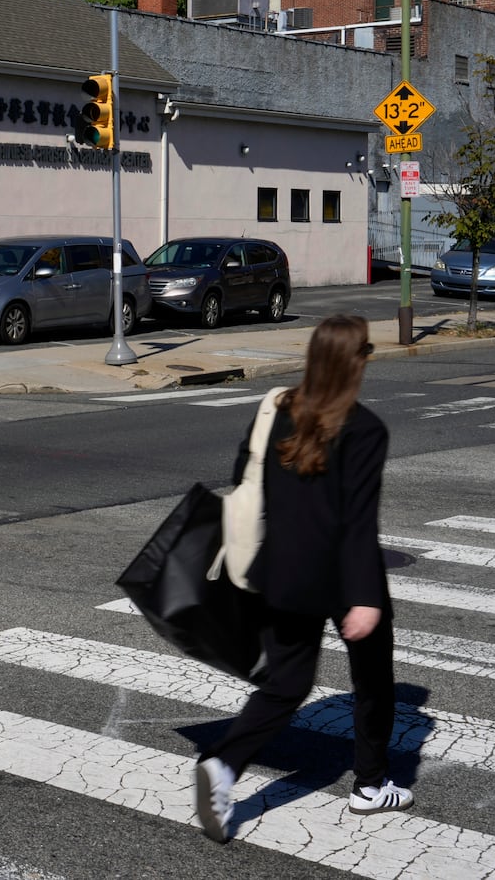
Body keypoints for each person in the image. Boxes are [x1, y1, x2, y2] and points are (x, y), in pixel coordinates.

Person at [193, 313, 412, 844]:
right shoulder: (364, 428)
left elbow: (240, 477)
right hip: (343, 573)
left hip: (283, 570)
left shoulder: (277, 411)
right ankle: (369, 783)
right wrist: (362, 598)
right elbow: (359, 521)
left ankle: (222, 766)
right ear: (354, 361)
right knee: (373, 681)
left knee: (287, 684)